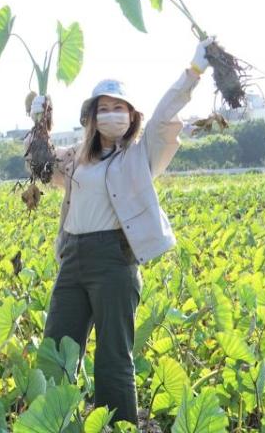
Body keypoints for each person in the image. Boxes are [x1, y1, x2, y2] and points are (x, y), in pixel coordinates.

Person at [31, 37, 215, 425]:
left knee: (113, 355)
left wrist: (193, 72)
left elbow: (165, 116)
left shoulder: (140, 155)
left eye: (119, 109)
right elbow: (40, 163)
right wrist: (38, 118)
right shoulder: (77, 160)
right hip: (73, 259)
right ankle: (57, 422)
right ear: (91, 118)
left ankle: (118, 427)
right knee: (57, 348)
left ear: (131, 117)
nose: (112, 114)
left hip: (114, 259)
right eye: (104, 109)